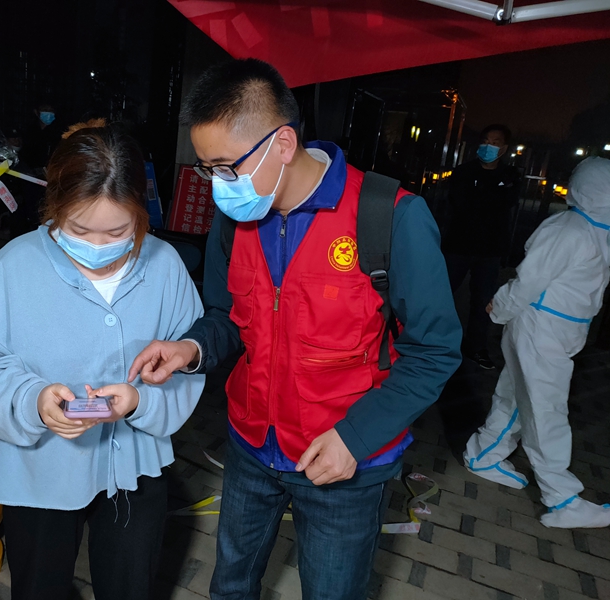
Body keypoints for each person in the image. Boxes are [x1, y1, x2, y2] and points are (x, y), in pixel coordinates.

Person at [128, 59, 462, 600]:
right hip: (251, 447)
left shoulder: (389, 217)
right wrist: (190, 348)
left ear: (283, 143)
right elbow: (227, 317)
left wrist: (355, 439)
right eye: (208, 170)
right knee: (230, 586)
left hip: (344, 463)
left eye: (226, 167)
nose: (218, 186)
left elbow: (434, 351)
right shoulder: (236, 220)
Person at [0, 119, 205, 600]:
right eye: (79, 230)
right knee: (39, 587)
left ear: (141, 212)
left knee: (130, 586)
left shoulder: (165, 266)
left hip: (134, 467)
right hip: (40, 469)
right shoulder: (15, 266)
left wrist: (140, 401)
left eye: (118, 231)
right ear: (55, 207)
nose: (97, 248)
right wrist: (33, 400)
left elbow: (186, 360)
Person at [464, 157, 610, 529]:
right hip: (541, 328)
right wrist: (502, 307)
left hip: (556, 329)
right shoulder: (571, 229)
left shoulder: (596, 228)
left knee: (517, 395)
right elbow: (530, 278)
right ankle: (562, 498)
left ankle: (484, 454)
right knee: (546, 410)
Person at [442, 124, 520, 370]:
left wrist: (483, 198)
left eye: (495, 142)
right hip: (458, 246)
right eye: (486, 141)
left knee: (483, 301)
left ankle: (476, 347)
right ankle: (434, 341)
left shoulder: (511, 175)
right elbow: (461, 203)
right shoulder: (463, 172)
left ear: (504, 148)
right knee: (441, 295)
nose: (489, 146)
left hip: (490, 250)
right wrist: (492, 196)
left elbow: (506, 203)